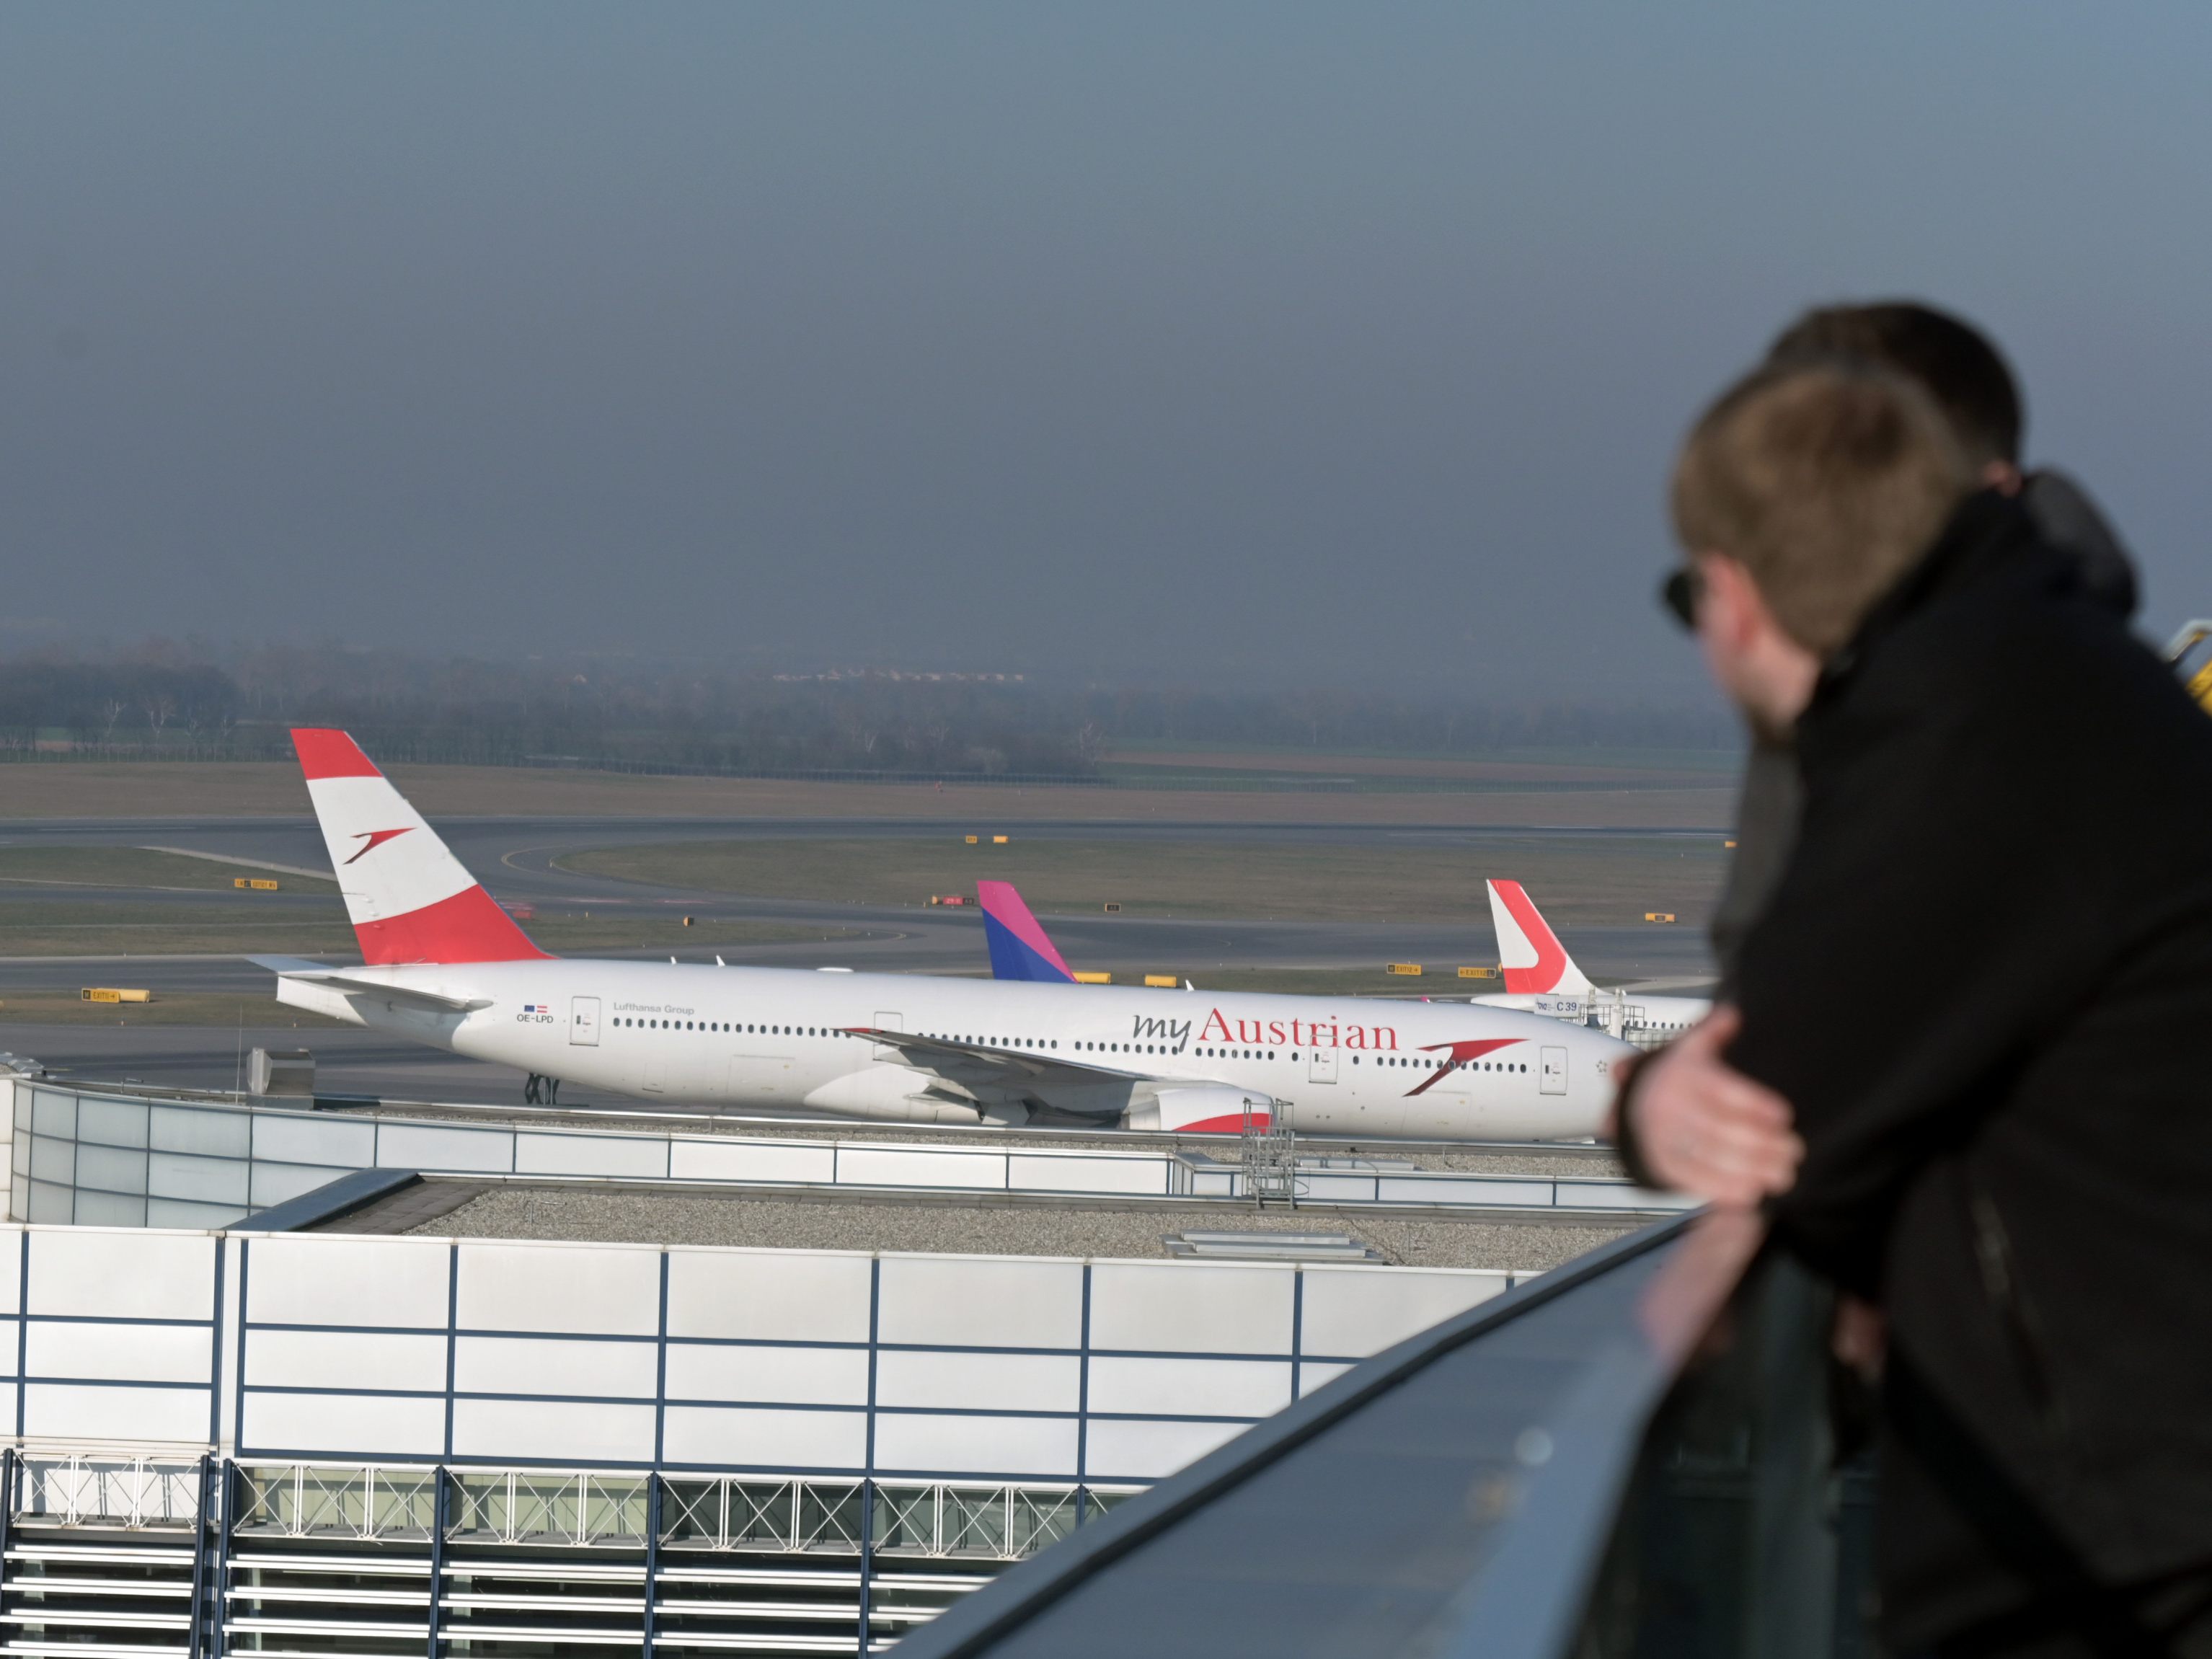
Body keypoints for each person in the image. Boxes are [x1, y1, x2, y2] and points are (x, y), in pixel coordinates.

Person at [1618, 360, 2212, 1655]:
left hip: (2109, 1538)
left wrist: (1637, 1097)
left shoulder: (1966, 731)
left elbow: (1777, 1109)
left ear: (1730, 595)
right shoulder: (2040, 661)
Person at [1695, 301, 2138, 991]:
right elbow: (1758, 973)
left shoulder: (2016, 718)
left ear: (1989, 492)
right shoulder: (1854, 670)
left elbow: (1836, 1037)